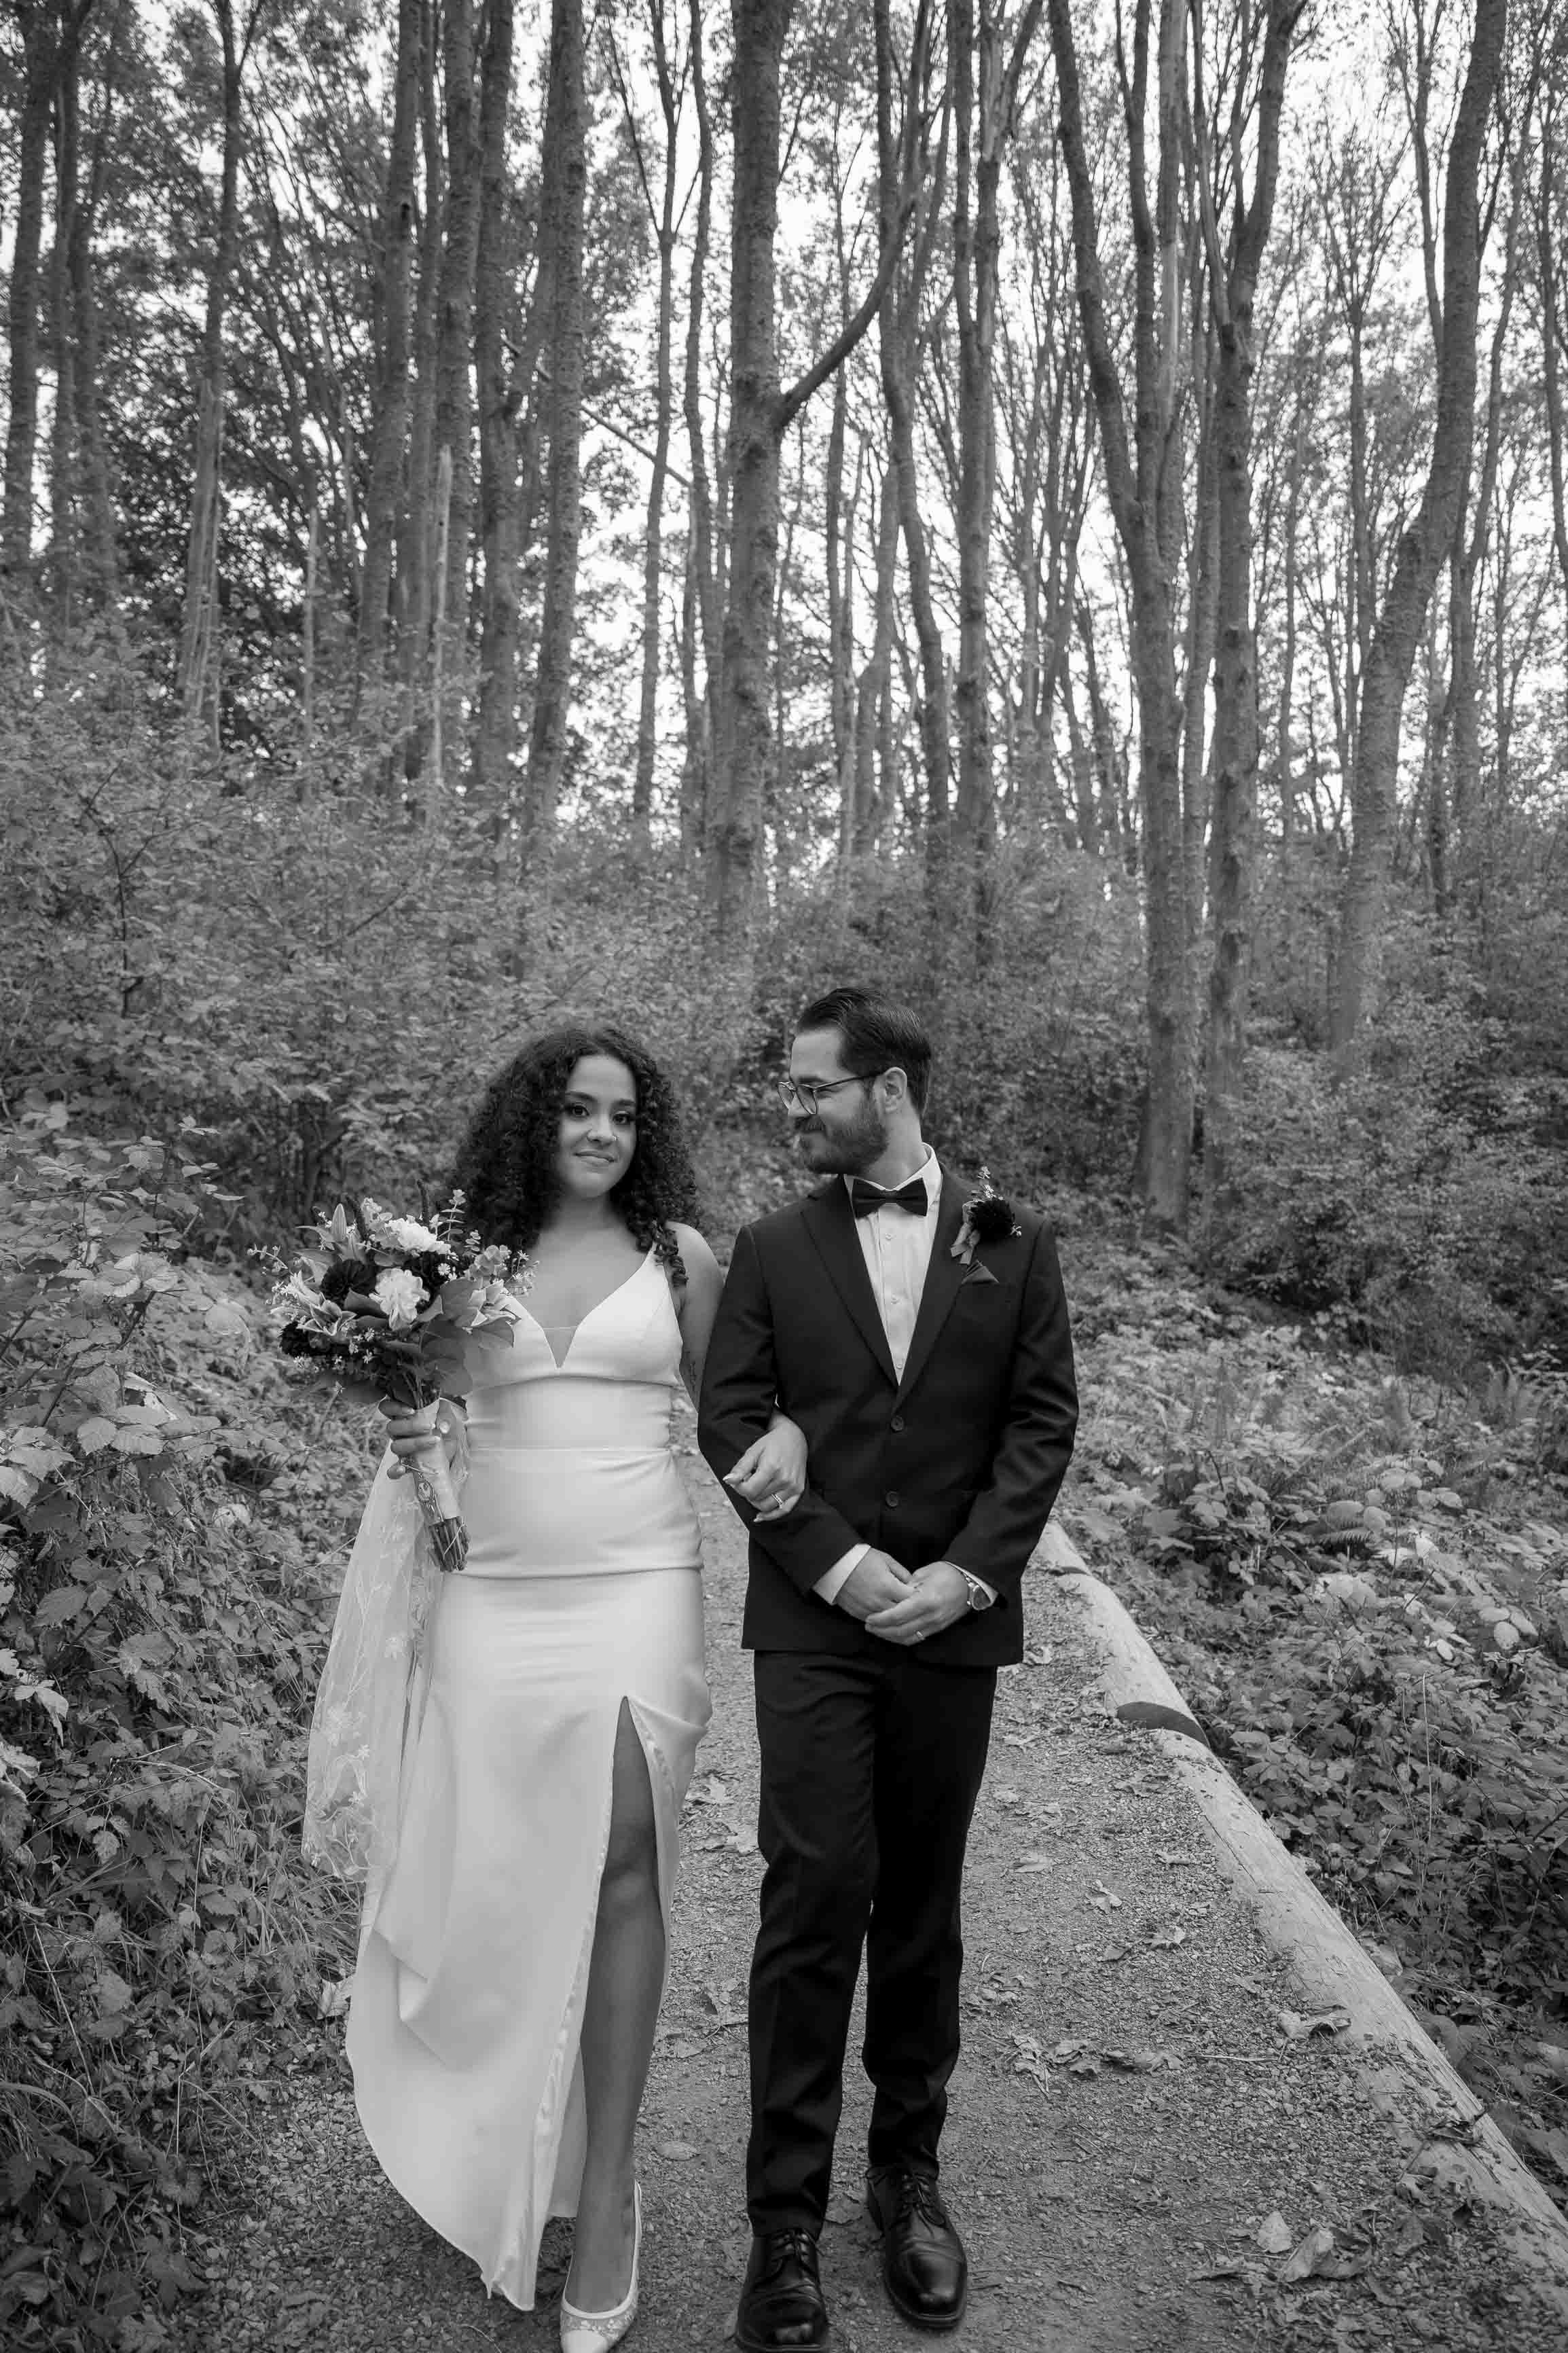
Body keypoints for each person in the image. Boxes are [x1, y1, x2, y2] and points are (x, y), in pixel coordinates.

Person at [304, 1024, 806, 2349]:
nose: (601, 1133)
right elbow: (429, 1408)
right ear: (536, 1121)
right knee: (506, 1870)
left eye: (624, 1115)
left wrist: (791, 1435)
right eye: (579, 1109)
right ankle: (498, 2131)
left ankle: (610, 2184)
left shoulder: (681, 1258)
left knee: (626, 1861)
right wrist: (408, 1417)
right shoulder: (458, 1262)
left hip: (638, 1587)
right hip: (494, 1595)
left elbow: (736, 1409)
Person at [697, 984, 1078, 2350]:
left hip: (951, 1624)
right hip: (816, 1624)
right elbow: (731, 1415)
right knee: (813, 1898)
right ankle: (783, 2221)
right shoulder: (769, 1246)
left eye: (814, 1088)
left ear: (892, 1091)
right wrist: (841, 1563)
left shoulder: (1014, 1242)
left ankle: (908, 2180)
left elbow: (1040, 1425)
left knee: (921, 1902)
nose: (793, 1108)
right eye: (792, 1089)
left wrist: (969, 1573)